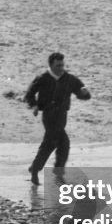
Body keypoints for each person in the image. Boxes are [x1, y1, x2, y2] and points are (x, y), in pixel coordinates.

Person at [24, 52, 91, 185]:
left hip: (62, 115)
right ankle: (44, 171)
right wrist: (35, 106)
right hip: (49, 115)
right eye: (58, 65)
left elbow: (83, 94)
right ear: (51, 65)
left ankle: (39, 169)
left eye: (62, 65)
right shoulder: (42, 78)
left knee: (61, 144)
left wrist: (85, 93)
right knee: (53, 143)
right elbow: (29, 94)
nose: (61, 68)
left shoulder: (69, 79)